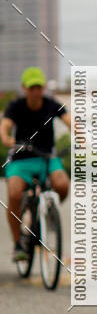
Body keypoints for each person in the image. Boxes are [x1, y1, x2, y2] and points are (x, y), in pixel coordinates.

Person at [1, 67, 71, 262]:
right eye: (32, 87)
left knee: (63, 185)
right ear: (24, 88)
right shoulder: (15, 106)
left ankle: (47, 214)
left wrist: (81, 135)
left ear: (43, 88)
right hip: (21, 159)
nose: (35, 91)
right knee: (14, 194)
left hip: (47, 158)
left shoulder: (51, 105)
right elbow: (5, 124)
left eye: (38, 87)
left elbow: (68, 120)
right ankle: (18, 244)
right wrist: (5, 137)